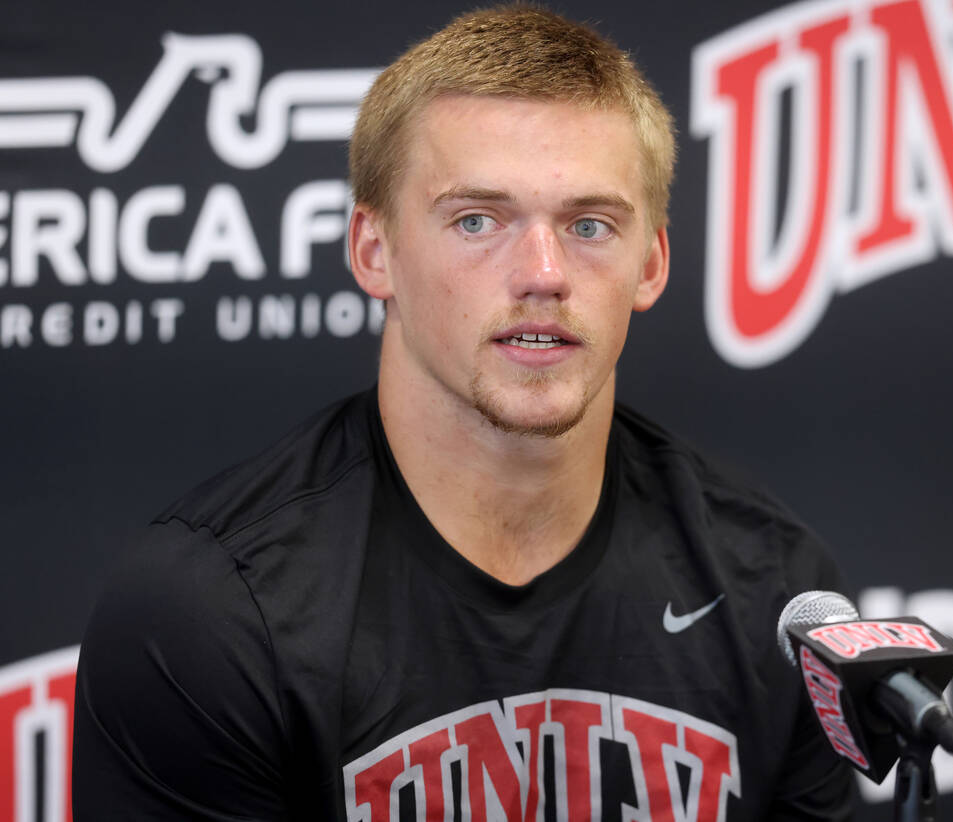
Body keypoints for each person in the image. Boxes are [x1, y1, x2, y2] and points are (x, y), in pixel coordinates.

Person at [73, 5, 855, 820]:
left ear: (651, 263)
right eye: (477, 220)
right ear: (374, 251)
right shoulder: (211, 614)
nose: (544, 273)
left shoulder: (774, 592)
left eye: (590, 225)